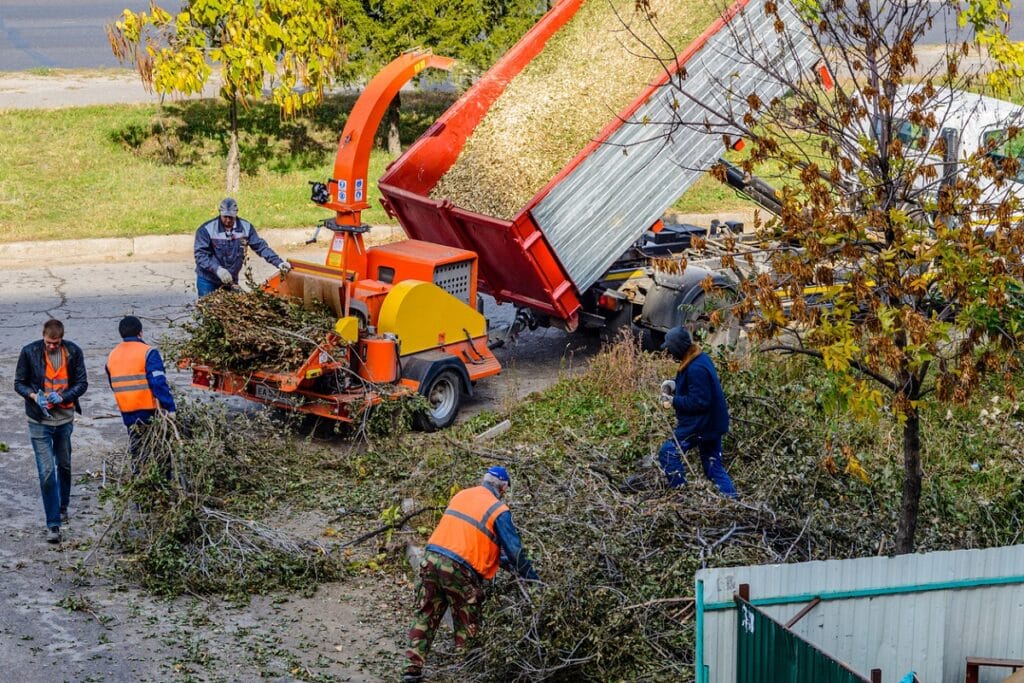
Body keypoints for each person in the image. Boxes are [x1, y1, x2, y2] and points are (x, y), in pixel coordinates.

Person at [403, 466, 539, 683]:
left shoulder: (462, 495)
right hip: (459, 569)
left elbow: (471, 538)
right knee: (467, 620)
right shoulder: (498, 510)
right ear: (503, 489)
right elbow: (514, 551)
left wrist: (502, 563)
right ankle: (465, 671)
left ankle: (411, 669)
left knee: (426, 613)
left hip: (431, 559)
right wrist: (532, 578)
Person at [14, 319, 89, 544]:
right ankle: (53, 525)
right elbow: (19, 383)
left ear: (62, 338)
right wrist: (34, 396)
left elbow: (82, 384)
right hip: (39, 421)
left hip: (64, 419)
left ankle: (63, 504)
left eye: (56, 343)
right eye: (49, 342)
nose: (52, 346)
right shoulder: (29, 352)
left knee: (64, 464)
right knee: (47, 472)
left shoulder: (74, 352)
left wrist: (64, 396)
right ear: (43, 337)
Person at [657, 326, 738, 498]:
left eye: (671, 349)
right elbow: (697, 390)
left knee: (669, 452)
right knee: (713, 468)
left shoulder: (695, 368)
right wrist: (674, 386)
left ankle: (679, 496)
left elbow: (700, 401)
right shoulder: (698, 358)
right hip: (712, 424)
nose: (670, 353)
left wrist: (673, 400)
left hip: (702, 425)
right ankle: (733, 501)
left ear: (678, 347)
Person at [105, 316, 176, 469]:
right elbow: (158, 382)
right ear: (141, 333)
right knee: (160, 451)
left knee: (137, 449)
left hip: (127, 411)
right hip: (149, 410)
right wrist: (170, 407)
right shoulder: (148, 352)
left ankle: (139, 477)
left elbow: (113, 383)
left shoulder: (112, 355)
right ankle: (163, 484)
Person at [193, 197, 292, 297]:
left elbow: (261, 247)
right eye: (225, 216)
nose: (227, 220)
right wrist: (217, 269)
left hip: (230, 280)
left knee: (231, 310)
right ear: (220, 213)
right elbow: (200, 255)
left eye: (230, 217)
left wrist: (278, 262)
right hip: (208, 280)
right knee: (207, 310)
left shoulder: (246, 228)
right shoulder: (206, 229)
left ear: (236, 213)